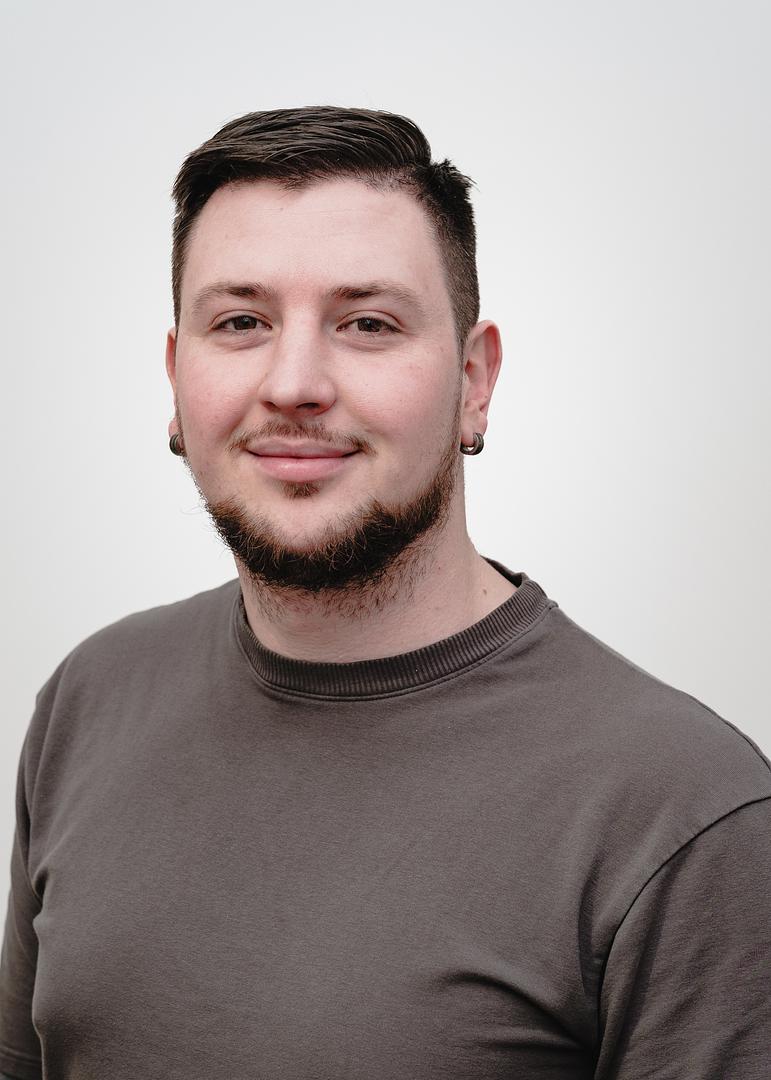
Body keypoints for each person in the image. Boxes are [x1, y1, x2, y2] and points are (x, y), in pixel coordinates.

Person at [1, 106, 769, 1080]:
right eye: (240, 323)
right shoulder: (91, 698)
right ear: (176, 379)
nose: (294, 383)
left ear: (474, 381)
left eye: (367, 323)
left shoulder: (684, 811)